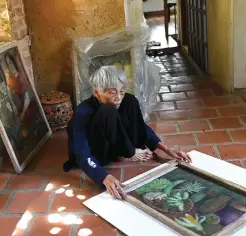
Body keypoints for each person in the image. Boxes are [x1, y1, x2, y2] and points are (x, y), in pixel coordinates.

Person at [63, 66, 192, 199]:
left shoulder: (122, 100)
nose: (118, 97)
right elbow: (81, 153)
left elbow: (141, 126)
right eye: (112, 92)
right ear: (96, 92)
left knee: (130, 100)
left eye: (122, 91)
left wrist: (166, 149)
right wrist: (103, 176)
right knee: (107, 111)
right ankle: (129, 153)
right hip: (99, 153)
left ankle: (127, 151)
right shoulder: (82, 112)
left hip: (115, 143)